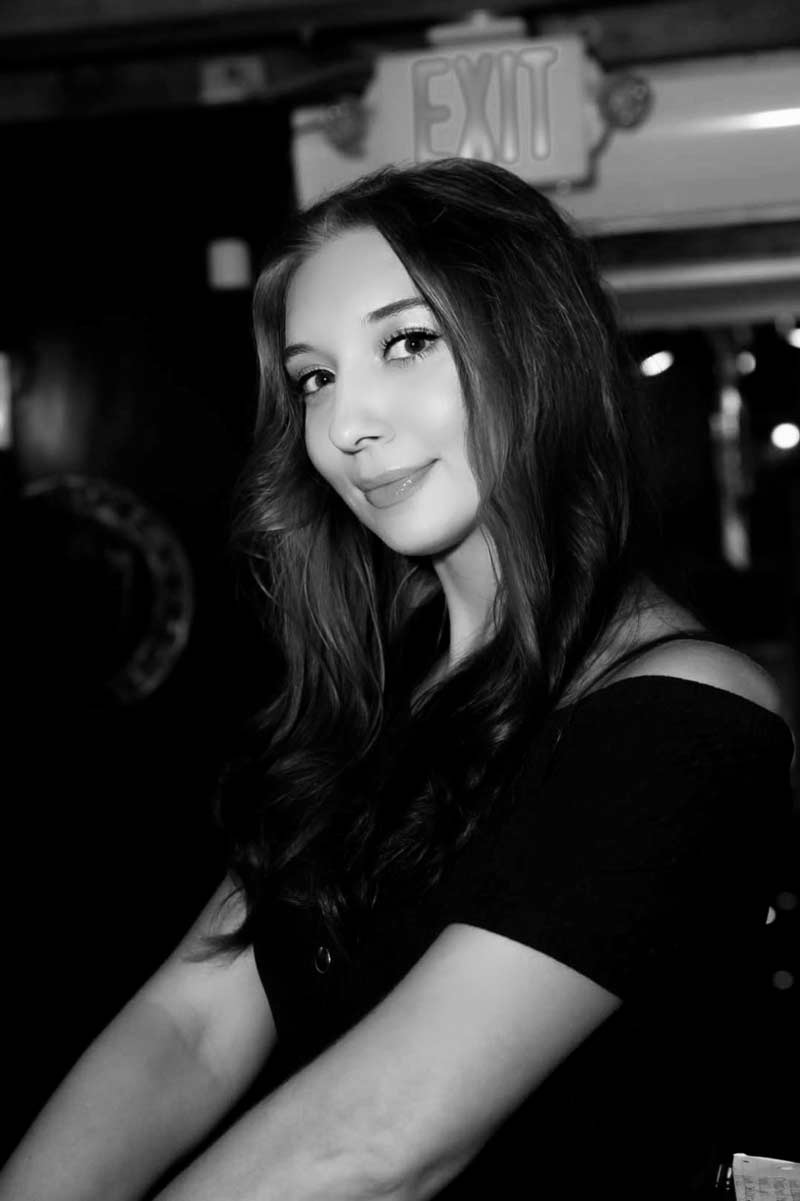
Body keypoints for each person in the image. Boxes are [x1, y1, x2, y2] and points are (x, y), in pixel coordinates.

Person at [1, 158, 794, 1201]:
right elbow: (189, 1026)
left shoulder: (685, 713)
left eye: (406, 343)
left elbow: (377, 1146)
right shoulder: (377, 699)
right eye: (313, 376)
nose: (340, 427)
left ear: (535, 351)